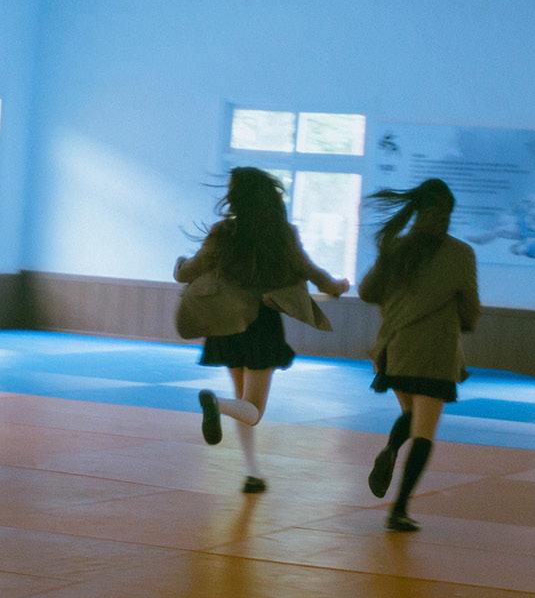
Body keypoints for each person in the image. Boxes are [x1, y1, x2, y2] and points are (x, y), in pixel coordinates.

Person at [176, 167, 349, 494]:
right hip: (262, 324)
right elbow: (311, 272)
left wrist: (180, 264)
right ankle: (218, 405)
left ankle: (252, 472)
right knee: (252, 409)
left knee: (243, 402)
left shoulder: (222, 233)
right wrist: (338, 286)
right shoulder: (282, 234)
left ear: (236, 198)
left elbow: (188, 272)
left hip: (225, 324)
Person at [359, 178, 480, 532]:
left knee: (412, 415)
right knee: (424, 431)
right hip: (436, 351)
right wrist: (461, 319)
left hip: (395, 347)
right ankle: (399, 508)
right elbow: (470, 310)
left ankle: (390, 450)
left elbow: (367, 291)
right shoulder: (460, 253)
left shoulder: (396, 246)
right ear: (448, 212)